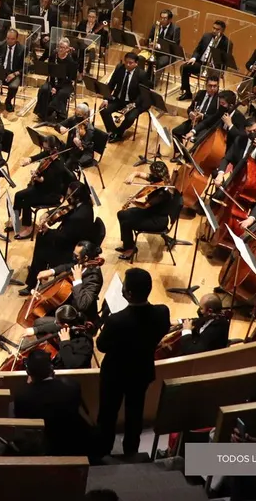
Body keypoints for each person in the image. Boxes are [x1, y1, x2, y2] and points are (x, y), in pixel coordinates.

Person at [93, 267, 171, 461]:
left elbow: (101, 346)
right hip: (141, 371)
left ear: (127, 293)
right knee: (135, 414)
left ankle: (103, 452)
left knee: (108, 415)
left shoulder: (116, 321)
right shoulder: (162, 312)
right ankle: (131, 453)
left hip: (115, 375)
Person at [115, 161, 177, 260]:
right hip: (150, 212)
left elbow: (144, 205)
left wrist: (134, 201)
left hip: (157, 220)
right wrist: (132, 175)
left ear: (156, 174)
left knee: (126, 223)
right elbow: (139, 173)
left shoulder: (162, 192)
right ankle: (128, 244)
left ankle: (130, 249)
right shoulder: (158, 179)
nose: (150, 175)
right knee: (121, 214)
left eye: (152, 173)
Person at [100, 51, 149, 143]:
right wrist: (106, 98)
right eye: (126, 62)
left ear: (136, 63)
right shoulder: (120, 68)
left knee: (130, 118)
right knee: (103, 110)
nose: (127, 64)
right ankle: (113, 131)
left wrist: (134, 104)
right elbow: (111, 84)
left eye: (130, 63)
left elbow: (143, 93)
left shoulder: (141, 74)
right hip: (119, 99)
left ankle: (119, 133)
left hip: (133, 102)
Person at [178, 20, 232, 100]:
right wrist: (194, 58)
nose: (214, 31)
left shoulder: (227, 43)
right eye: (213, 28)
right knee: (184, 67)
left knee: (213, 77)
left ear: (223, 30)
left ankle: (211, 98)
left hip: (214, 67)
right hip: (201, 64)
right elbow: (198, 49)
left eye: (217, 29)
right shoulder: (206, 36)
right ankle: (187, 92)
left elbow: (226, 61)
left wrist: (220, 70)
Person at [35, 39, 78, 123]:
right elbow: (50, 72)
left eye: (64, 48)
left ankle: (55, 113)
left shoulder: (70, 61)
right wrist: (53, 85)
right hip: (52, 81)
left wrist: (57, 88)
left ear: (67, 49)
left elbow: (70, 78)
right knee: (44, 89)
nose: (61, 49)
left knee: (62, 93)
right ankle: (43, 113)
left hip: (65, 84)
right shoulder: (53, 56)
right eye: (60, 47)